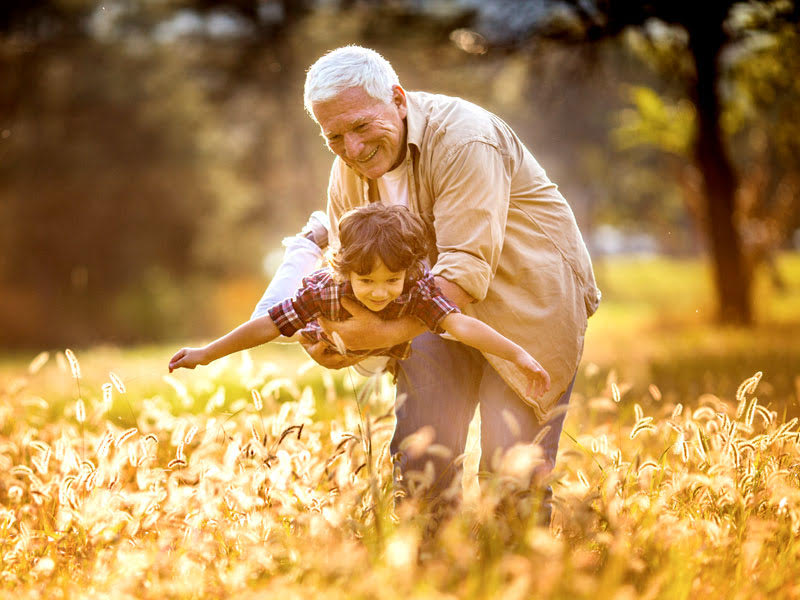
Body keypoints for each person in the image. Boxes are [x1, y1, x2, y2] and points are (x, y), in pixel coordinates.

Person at [256, 45, 601, 519]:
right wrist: (333, 340)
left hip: (525, 306)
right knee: (423, 465)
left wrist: (372, 337)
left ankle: (521, 578)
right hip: (426, 311)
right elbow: (347, 268)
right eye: (334, 135)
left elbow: (460, 274)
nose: (352, 149)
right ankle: (434, 577)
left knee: (511, 473)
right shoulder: (347, 169)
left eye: (361, 126)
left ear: (398, 100)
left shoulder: (465, 140)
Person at [170, 204, 551, 405]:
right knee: (269, 315)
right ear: (347, 270)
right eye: (366, 280)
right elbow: (265, 326)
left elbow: (461, 325)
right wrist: (206, 353)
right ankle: (309, 241)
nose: (379, 292)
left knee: (414, 337)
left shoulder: (417, 287)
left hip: (376, 343)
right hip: (324, 324)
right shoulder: (324, 289)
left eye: (391, 280)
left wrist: (517, 355)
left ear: (408, 271)